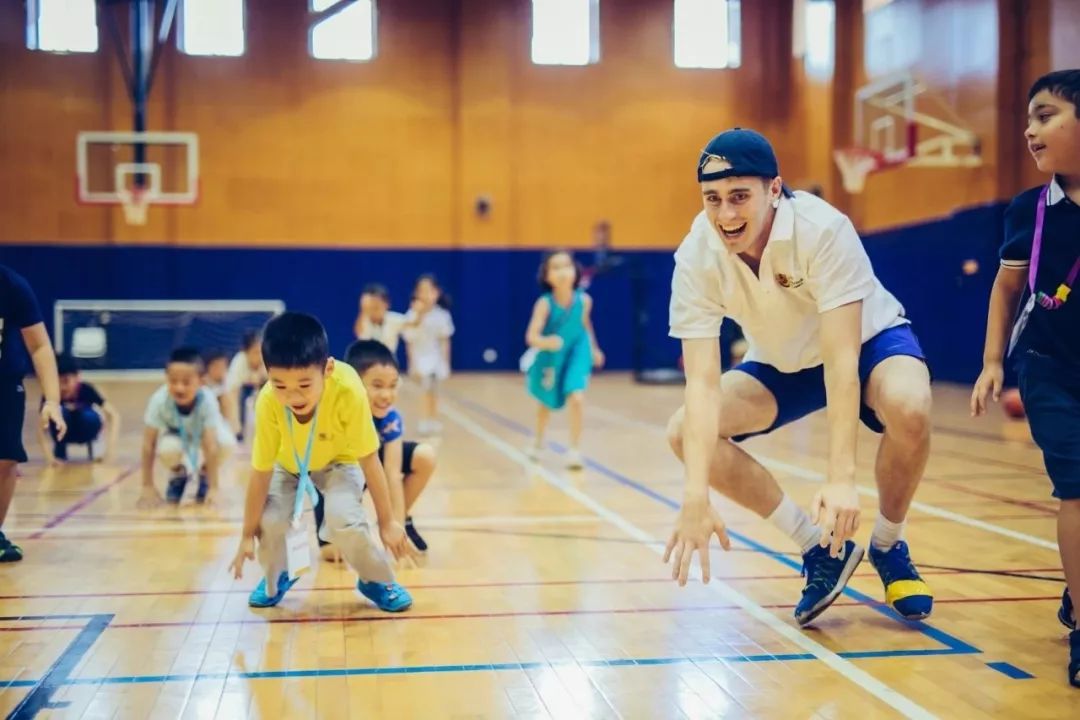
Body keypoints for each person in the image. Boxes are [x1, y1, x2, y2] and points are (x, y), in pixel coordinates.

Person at [663, 128, 934, 628]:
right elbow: (701, 384)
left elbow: (841, 359)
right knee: (684, 431)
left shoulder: (823, 229)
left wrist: (841, 479)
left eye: (740, 196)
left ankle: (888, 544)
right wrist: (694, 496)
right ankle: (818, 550)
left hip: (865, 343)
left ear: (774, 189)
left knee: (910, 406)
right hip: (782, 361)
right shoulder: (695, 256)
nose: (726, 215)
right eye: (713, 199)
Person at [971, 69, 1080, 687]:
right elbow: (1008, 284)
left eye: (1046, 116)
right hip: (1049, 369)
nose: (1030, 130)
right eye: (1029, 118)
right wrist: (991, 362)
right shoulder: (1028, 211)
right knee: (1077, 486)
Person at [228, 312, 414, 611]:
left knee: (344, 517)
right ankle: (279, 574)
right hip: (287, 465)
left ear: (327, 369)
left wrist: (388, 522)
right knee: (272, 520)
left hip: (339, 461)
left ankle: (375, 580)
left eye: (304, 384)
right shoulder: (267, 402)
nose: (292, 396)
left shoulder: (349, 387)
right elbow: (260, 473)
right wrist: (246, 536)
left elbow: (369, 459)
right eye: (280, 385)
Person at [317, 339, 437, 561]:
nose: (386, 395)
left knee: (425, 456)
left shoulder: (390, 418)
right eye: (377, 385)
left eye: (392, 386)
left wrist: (395, 527)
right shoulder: (337, 413)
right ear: (354, 383)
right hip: (338, 475)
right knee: (333, 553)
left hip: (371, 464)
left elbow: (391, 473)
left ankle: (404, 520)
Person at [0, 263, 66, 562]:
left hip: (4, 384)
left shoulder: (11, 284)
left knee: (5, 461)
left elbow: (39, 346)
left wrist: (52, 401)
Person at [522, 250, 605, 469]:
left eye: (566, 266)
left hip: (577, 351)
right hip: (552, 356)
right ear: (547, 276)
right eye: (555, 268)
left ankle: (575, 450)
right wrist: (546, 341)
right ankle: (539, 441)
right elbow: (531, 336)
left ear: (575, 271)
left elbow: (585, 325)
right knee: (546, 404)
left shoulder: (584, 301)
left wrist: (594, 348)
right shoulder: (545, 303)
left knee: (577, 397)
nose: (562, 272)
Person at [138, 347, 233, 507]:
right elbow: (148, 445)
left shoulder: (207, 400)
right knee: (167, 449)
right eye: (173, 381)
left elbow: (210, 445)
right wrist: (147, 485)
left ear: (201, 381)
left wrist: (214, 488)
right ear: (166, 378)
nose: (179, 388)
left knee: (226, 444)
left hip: (203, 435)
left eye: (186, 382)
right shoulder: (159, 400)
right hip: (175, 435)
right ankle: (177, 475)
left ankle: (205, 476)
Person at [37, 353, 120, 465]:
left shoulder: (87, 390)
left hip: (85, 431)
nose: (63, 387)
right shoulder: (51, 396)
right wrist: (49, 458)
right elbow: (41, 428)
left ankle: (95, 446)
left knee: (90, 416)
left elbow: (114, 415)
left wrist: (109, 450)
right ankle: (60, 450)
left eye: (66, 381)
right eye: (58, 382)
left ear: (77, 377)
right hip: (63, 434)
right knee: (58, 413)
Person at [402, 275, 454, 436]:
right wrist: (412, 363)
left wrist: (446, 362)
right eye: (422, 291)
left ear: (437, 293)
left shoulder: (442, 315)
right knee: (424, 390)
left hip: (436, 358)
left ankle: (433, 418)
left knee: (434, 390)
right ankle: (424, 420)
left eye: (429, 291)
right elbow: (409, 340)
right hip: (420, 357)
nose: (425, 295)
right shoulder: (412, 314)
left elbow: (445, 341)